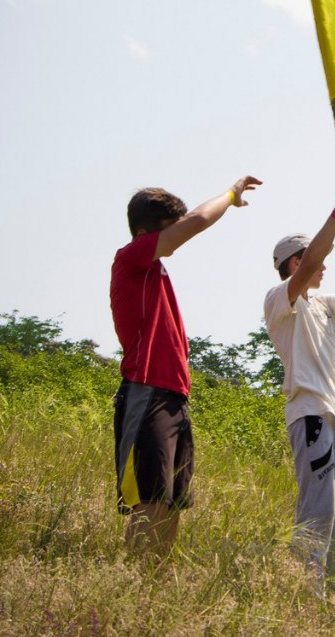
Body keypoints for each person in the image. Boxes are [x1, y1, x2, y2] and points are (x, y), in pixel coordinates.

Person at [110, 175, 261, 558]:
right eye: (169, 230)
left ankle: (156, 580)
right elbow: (197, 221)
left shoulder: (153, 269)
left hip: (174, 396)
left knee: (172, 500)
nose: (176, 238)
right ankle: (133, 580)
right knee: (149, 498)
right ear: (144, 232)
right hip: (146, 391)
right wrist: (231, 194)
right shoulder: (130, 258)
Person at [264, 180, 335, 595]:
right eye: (311, 258)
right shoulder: (280, 299)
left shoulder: (324, 305)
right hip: (310, 411)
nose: (324, 265)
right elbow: (315, 259)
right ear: (294, 263)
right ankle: (306, 588)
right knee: (320, 507)